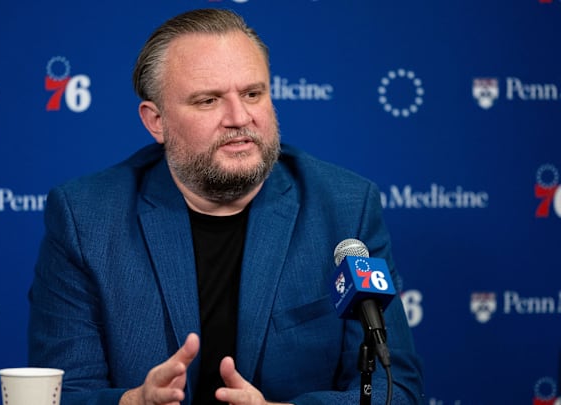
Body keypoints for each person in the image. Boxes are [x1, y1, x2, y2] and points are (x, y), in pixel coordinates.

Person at [28, 8, 424, 405]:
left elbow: (396, 391)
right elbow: (62, 393)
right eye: (208, 100)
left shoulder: (344, 208)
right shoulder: (86, 217)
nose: (239, 118)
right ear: (156, 121)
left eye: (253, 94)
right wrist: (132, 402)